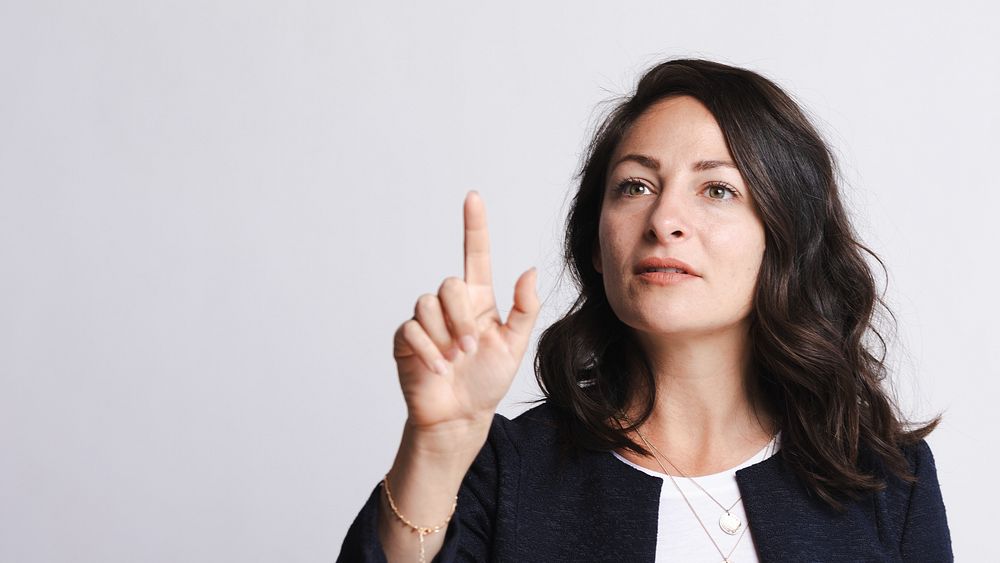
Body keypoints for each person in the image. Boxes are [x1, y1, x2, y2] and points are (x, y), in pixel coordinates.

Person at [337, 58, 953, 562]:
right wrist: (436, 449)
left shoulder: (888, 483)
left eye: (717, 189)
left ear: (783, 238)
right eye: (635, 186)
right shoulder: (505, 469)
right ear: (598, 246)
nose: (664, 222)